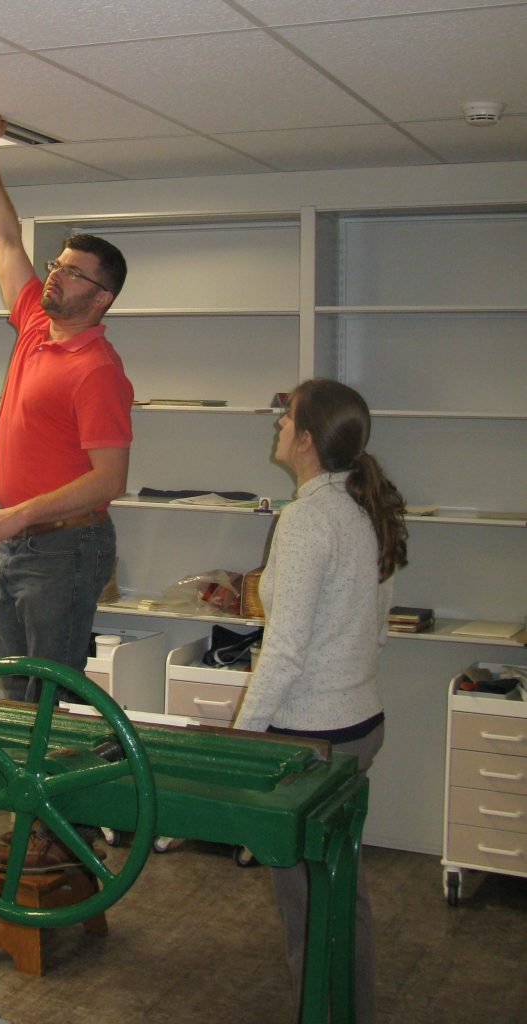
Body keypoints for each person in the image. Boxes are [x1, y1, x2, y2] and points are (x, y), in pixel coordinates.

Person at [0, 116, 133, 871]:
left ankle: (56, 831)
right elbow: (2, 237)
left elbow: (109, 479)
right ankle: (49, 826)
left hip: (62, 546)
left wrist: (17, 516)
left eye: (71, 273)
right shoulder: (33, 325)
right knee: (20, 697)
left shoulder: (98, 370)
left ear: (101, 298)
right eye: (57, 264)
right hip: (18, 545)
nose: (54, 275)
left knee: (44, 709)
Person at [234, 378, 408, 1024]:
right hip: (359, 722)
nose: (276, 426)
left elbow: (284, 648)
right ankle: (350, 1011)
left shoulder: (307, 519)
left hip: (312, 737)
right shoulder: (360, 504)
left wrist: (244, 739)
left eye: (284, 420)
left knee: (305, 902)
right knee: (341, 888)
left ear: (305, 441)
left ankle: (324, 1014)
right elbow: (378, 620)